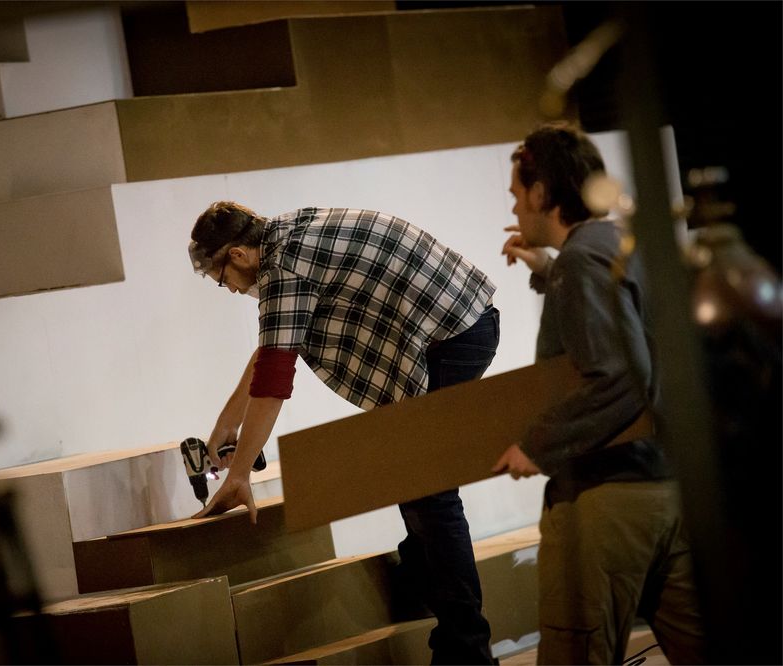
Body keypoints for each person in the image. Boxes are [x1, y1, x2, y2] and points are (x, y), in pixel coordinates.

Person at [188, 202, 499, 664]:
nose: (229, 291)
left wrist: (239, 474)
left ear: (236, 255)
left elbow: (274, 378)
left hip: (453, 335)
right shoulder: (286, 234)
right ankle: (419, 577)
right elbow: (272, 345)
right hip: (462, 321)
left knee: (429, 490)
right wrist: (225, 427)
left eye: (221, 281)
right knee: (408, 472)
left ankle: (466, 650)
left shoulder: (283, 268)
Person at [492, 123, 706, 664]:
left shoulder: (582, 261)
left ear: (542, 193)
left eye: (518, 195)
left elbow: (620, 377)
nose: (516, 209)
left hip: (608, 499)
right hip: (668, 488)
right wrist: (548, 268)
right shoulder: (621, 243)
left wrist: (536, 445)